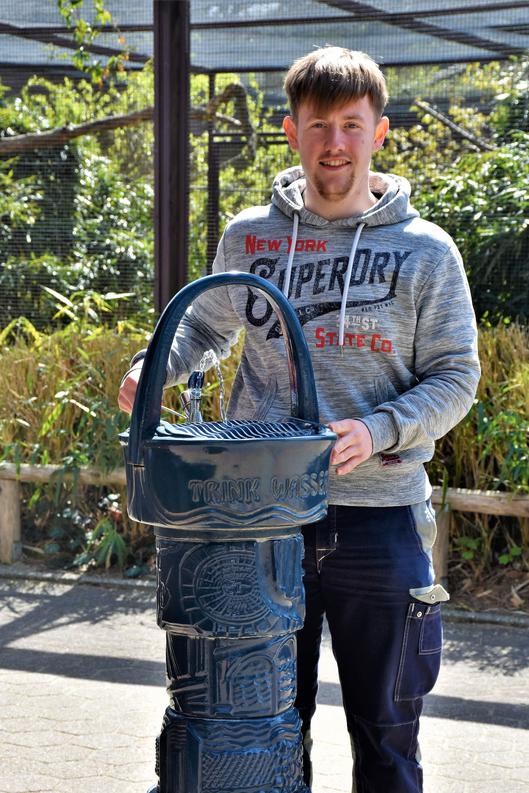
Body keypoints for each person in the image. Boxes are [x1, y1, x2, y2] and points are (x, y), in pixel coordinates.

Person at [119, 47, 480, 793]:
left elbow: (456, 375)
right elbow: (205, 329)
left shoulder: (426, 252)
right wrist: (154, 367)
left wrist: (378, 428)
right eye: (319, 124)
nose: (334, 143)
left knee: (387, 733)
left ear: (379, 132)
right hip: (259, 518)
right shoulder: (250, 237)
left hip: (380, 518)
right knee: (267, 724)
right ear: (292, 131)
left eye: (351, 124)